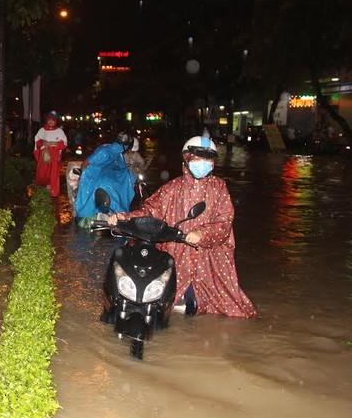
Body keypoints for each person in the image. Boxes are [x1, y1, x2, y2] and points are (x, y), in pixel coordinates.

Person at [107, 135, 257, 318]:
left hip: (209, 257)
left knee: (230, 310)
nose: (203, 164)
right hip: (178, 251)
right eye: (198, 160)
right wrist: (124, 218)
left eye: (207, 160)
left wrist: (202, 233)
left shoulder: (219, 187)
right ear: (186, 160)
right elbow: (150, 210)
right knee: (159, 301)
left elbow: (224, 221)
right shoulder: (173, 188)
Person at [73, 132, 136, 224]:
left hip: (108, 182)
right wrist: (83, 175)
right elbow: (85, 164)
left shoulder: (117, 155)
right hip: (97, 180)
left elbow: (123, 171)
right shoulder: (106, 151)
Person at [34, 111, 67, 197]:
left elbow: (64, 144)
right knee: (42, 172)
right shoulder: (42, 130)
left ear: (56, 121)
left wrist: (56, 144)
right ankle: (42, 189)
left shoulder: (60, 131)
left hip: (55, 155)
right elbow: (37, 141)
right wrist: (42, 142)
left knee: (53, 173)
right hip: (44, 155)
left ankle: (53, 191)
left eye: (53, 120)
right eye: (49, 119)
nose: (50, 121)